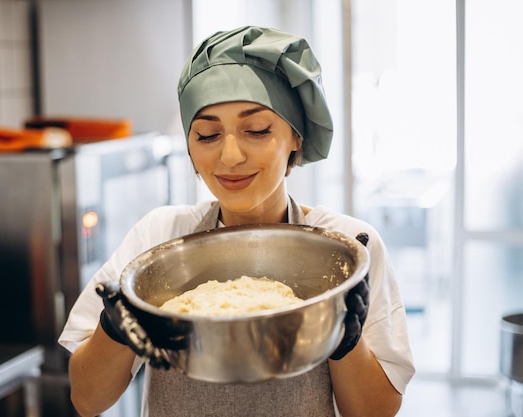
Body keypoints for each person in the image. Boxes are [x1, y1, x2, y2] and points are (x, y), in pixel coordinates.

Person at [59, 26, 415, 417]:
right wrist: (116, 328)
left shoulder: (348, 248)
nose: (229, 156)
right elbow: (87, 399)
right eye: (208, 135)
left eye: (257, 130)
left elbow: (375, 412)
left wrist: (345, 342)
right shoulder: (159, 241)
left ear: (296, 136)